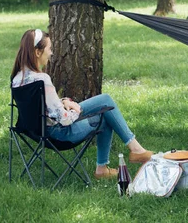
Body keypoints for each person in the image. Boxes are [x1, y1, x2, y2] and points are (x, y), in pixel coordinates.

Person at [11, 29, 154, 179]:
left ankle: (126, 155)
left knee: (105, 103)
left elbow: (38, 106)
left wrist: (64, 102)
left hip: (36, 132)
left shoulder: (17, 79)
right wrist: (77, 109)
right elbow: (65, 119)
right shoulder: (42, 79)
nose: (51, 53)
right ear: (38, 52)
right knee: (105, 109)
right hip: (60, 135)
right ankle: (117, 160)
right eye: (49, 49)